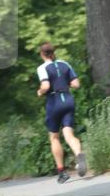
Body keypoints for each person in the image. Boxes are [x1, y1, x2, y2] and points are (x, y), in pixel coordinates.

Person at [36, 42, 87, 184]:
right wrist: (64, 84)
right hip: (68, 100)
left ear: (42, 54)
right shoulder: (65, 64)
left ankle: (62, 172)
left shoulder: (42, 68)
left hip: (54, 102)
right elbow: (76, 84)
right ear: (54, 52)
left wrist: (40, 92)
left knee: (54, 137)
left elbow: (45, 86)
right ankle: (79, 154)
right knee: (69, 135)